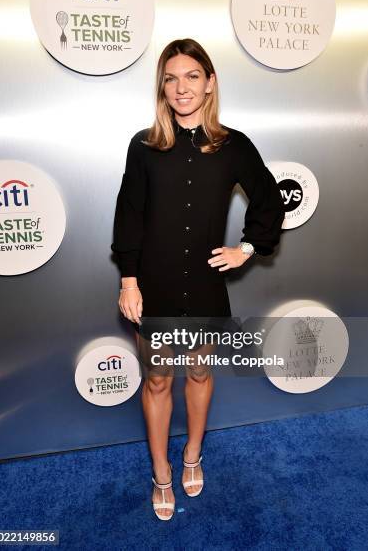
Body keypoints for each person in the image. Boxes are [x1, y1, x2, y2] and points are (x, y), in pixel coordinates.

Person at [111, 38, 285, 520]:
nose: (181, 87)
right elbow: (129, 216)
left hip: (206, 287)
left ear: (210, 84)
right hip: (155, 285)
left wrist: (247, 248)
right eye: (171, 78)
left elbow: (269, 200)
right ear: (162, 88)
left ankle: (193, 456)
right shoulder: (143, 147)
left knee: (202, 372)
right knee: (158, 380)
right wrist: (129, 281)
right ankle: (161, 473)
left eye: (192, 76)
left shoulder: (234, 146)